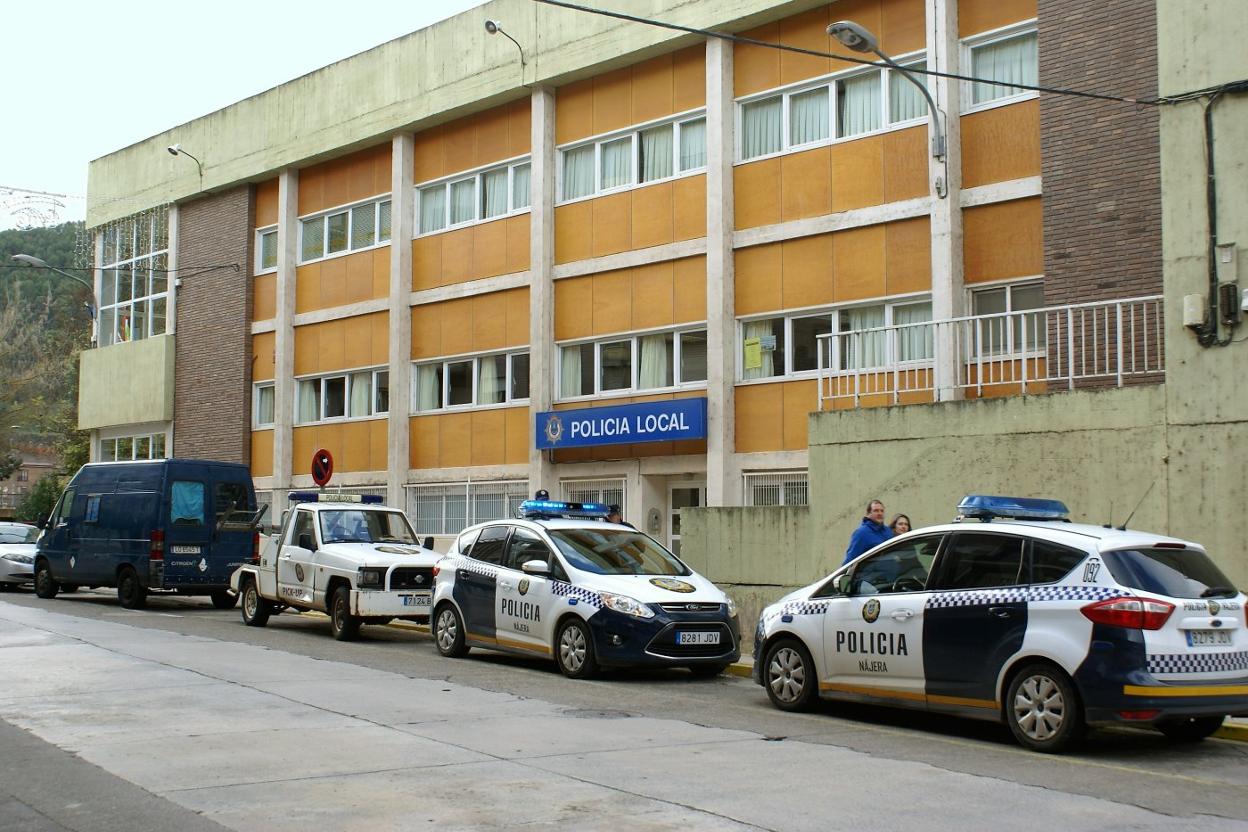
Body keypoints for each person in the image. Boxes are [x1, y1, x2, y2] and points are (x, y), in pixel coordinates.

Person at [843, 499, 893, 564]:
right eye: (876, 511)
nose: (880, 513)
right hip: (872, 573)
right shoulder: (861, 533)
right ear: (868, 514)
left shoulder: (888, 531)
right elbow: (851, 559)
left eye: (882, 511)